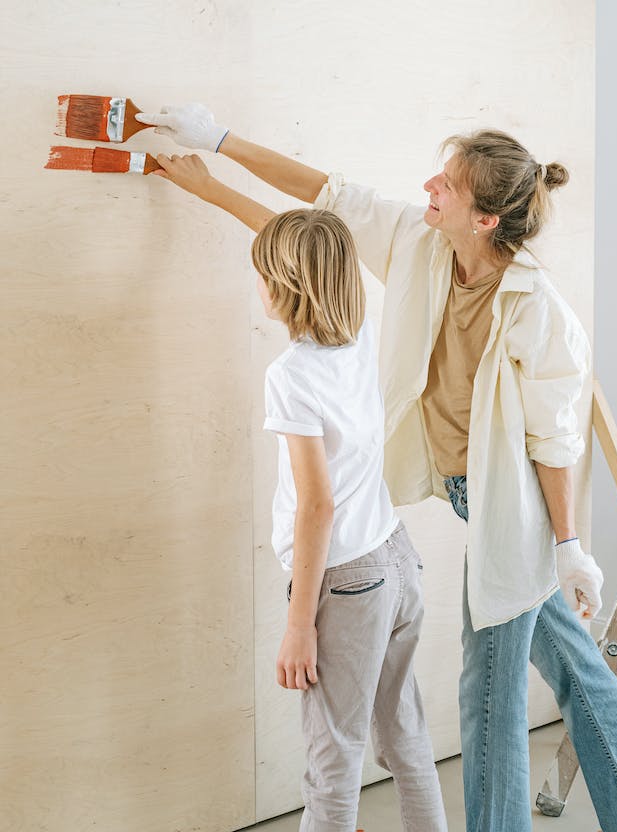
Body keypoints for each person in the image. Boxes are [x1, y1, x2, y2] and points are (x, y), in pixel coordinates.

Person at [141, 103, 617, 832]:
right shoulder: (421, 246)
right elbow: (325, 196)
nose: (430, 184)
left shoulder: (537, 310)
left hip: (511, 502)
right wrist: (217, 143)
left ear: (484, 219)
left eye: (448, 184)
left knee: (486, 683)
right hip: (461, 489)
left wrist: (564, 543)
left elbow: (554, 442)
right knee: (569, 662)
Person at [151, 166, 448, 832]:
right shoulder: (358, 337)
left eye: (260, 273)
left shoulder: (291, 375)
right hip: (395, 562)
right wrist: (207, 187)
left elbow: (317, 507)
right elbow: (304, 244)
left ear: (280, 286)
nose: (254, 281)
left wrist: (297, 624)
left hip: (342, 584)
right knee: (404, 736)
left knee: (331, 761)